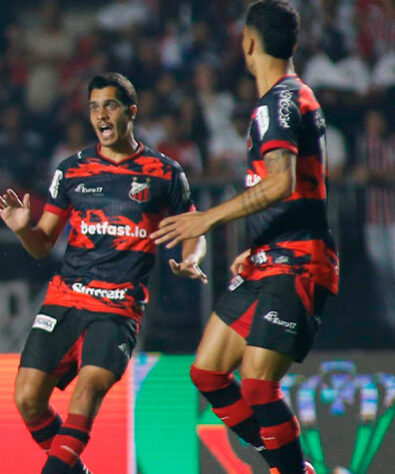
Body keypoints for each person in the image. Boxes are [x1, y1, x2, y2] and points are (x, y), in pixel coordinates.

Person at [151, 2, 337, 473]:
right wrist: (253, 247)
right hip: (267, 259)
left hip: (297, 260)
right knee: (208, 373)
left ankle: (289, 469)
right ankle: (290, 464)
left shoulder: (279, 101)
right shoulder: (284, 97)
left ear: (249, 43)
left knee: (257, 387)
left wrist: (206, 220)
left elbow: (281, 183)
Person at [0, 72, 207, 474]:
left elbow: (193, 228)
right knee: (27, 398)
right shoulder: (72, 170)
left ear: (131, 112)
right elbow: (42, 245)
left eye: (110, 105)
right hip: (65, 298)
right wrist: (23, 228)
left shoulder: (164, 173)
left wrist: (191, 257)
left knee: (87, 391)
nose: (100, 115)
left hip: (118, 306)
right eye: (93, 107)